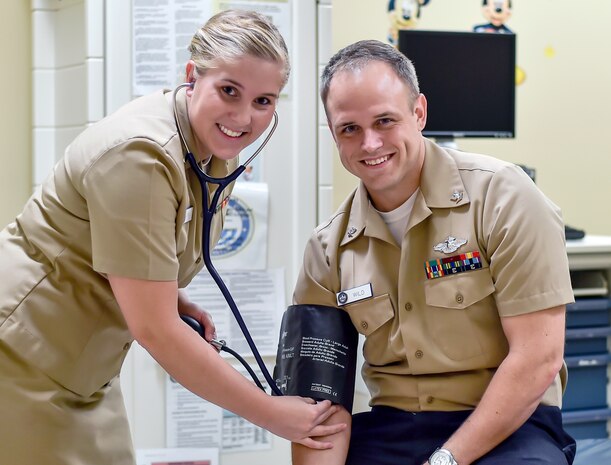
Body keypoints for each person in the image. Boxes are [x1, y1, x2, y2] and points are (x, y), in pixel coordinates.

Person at [0, 9, 345, 465]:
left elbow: (122, 250)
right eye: (229, 91)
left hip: (83, 367)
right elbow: (156, 331)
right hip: (23, 359)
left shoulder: (210, 152)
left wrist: (167, 296)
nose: (244, 117)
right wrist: (271, 414)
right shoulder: (140, 156)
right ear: (192, 77)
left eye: (265, 100)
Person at [290, 39, 576, 465]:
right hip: (391, 429)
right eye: (349, 128)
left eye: (385, 121)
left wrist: (445, 460)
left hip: (510, 424)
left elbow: (538, 359)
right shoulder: (327, 248)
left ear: (419, 112)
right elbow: (318, 403)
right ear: (333, 134)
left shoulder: (503, 197)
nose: (369, 144)